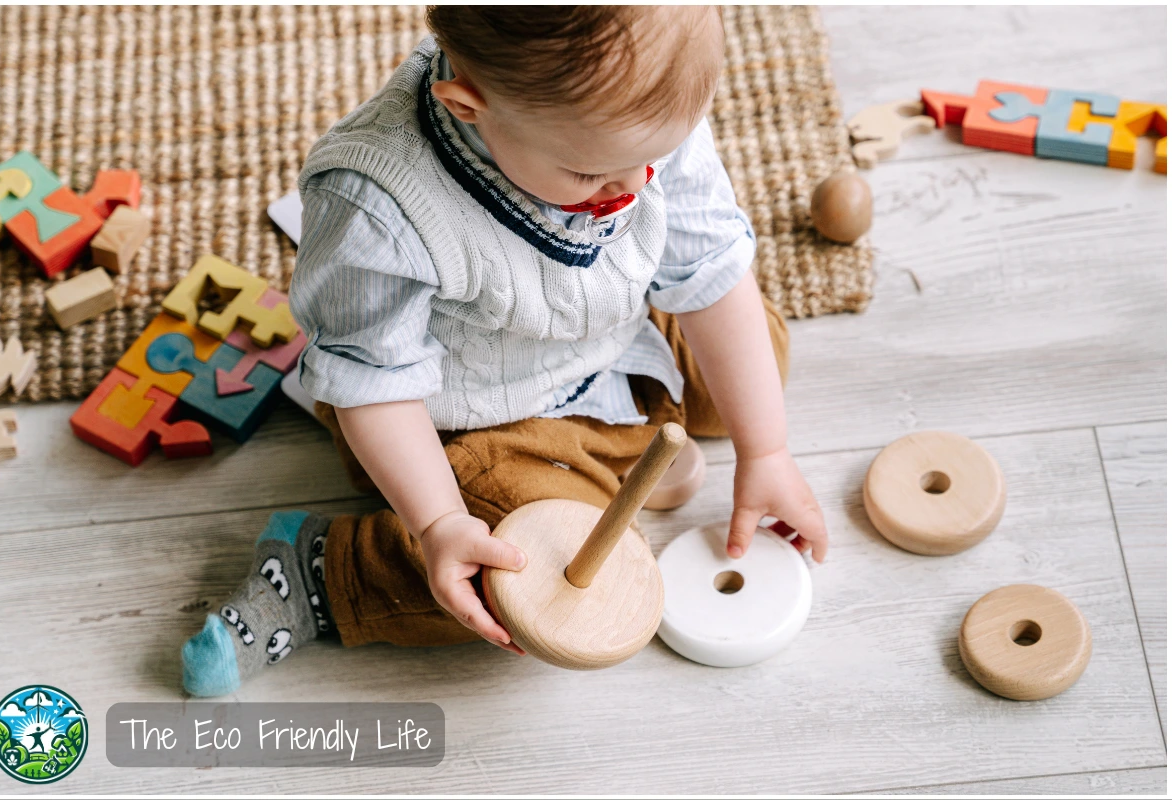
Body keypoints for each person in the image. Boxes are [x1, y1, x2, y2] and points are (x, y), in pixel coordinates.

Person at [182, 6, 827, 697]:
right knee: (524, 578)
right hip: (467, 419)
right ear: (467, 107)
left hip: (609, 335)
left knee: (757, 355)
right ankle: (320, 574)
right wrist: (437, 524)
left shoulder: (631, 119)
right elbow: (376, 387)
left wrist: (767, 451)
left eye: (651, 158)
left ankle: (623, 436)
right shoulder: (376, 205)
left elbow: (707, 269)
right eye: (591, 175)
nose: (634, 187)